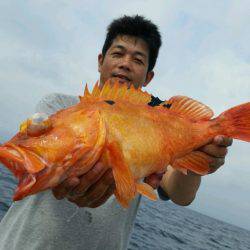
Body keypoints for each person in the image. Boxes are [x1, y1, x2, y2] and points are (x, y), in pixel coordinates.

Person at [0, 15, 232, 250]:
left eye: (138, 59)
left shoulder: (155, 124)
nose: (125, 63)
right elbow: (46, 156)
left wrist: (202, 154)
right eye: (118, 53)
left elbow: (180, 194)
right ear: (101, 61)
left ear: (148, 77)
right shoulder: (58, 105)